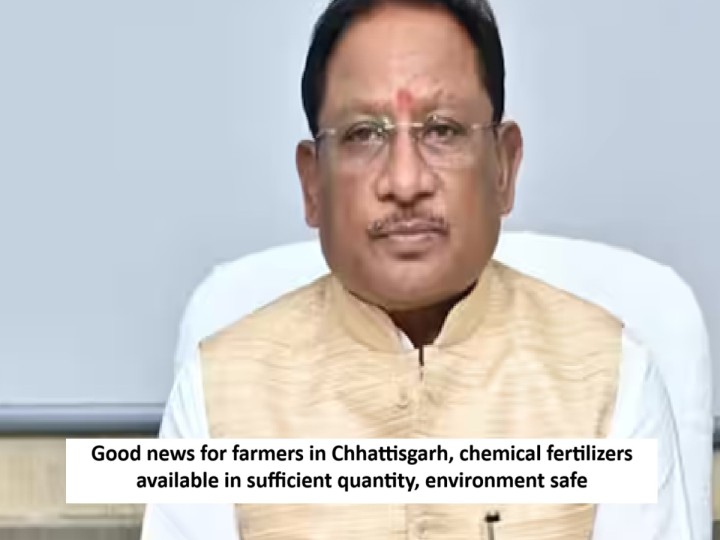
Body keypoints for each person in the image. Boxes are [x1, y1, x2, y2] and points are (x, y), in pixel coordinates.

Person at [141, 0, 693, 538]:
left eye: (442, 130)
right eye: (363, 134)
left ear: (503, 167)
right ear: (313, 184)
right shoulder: (217, 394)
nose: (405, 182)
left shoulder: (613, 380)